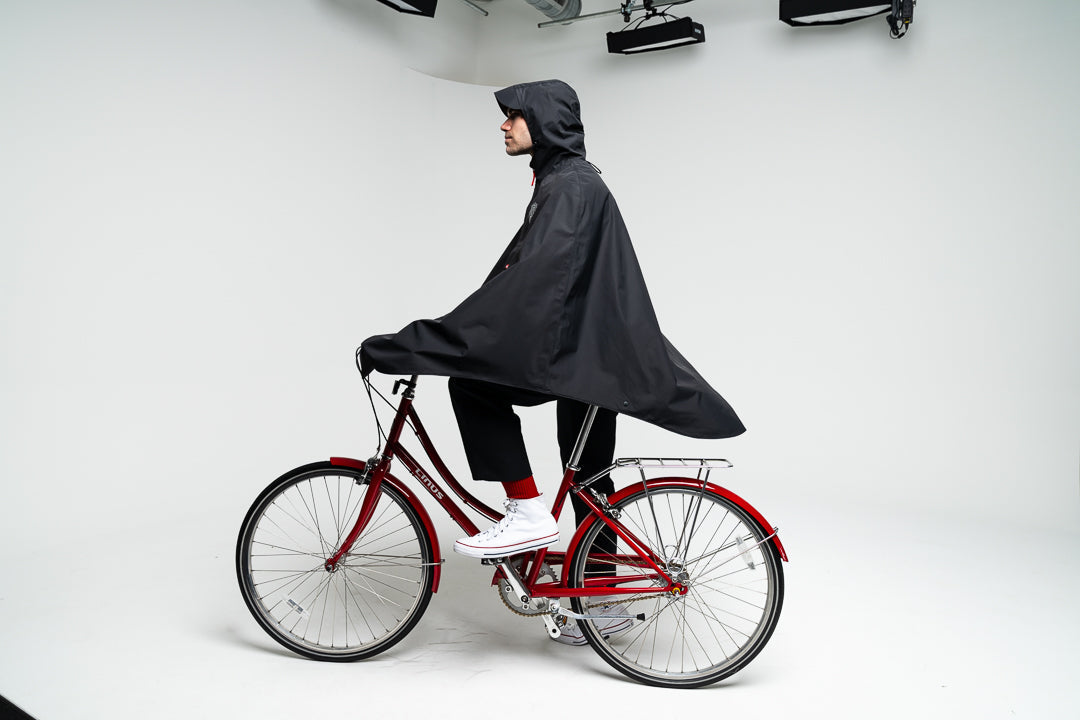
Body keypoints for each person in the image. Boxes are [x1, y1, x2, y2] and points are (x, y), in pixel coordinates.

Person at [360, 78, 744, 573]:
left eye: (514, 116)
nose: (504, 125)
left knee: (473, 387)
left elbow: (533, 284)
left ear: (543, 122)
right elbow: (530, 280)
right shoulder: (566, 182)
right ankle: (598, 595)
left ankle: (526, 511)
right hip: (594, 355)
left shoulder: (569, 187)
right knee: (589, 481)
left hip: (582, 356)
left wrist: (432, 342)